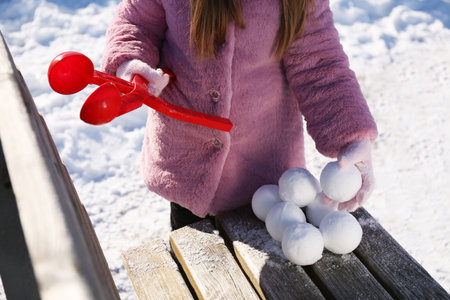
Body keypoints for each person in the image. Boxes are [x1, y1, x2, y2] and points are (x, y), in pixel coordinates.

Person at [101, 0, 378, 230]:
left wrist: (351, 136)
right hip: (188, 170)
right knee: (198, 273)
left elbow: (319, 62)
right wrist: (130, 63)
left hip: (265, 173)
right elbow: (137, 23)